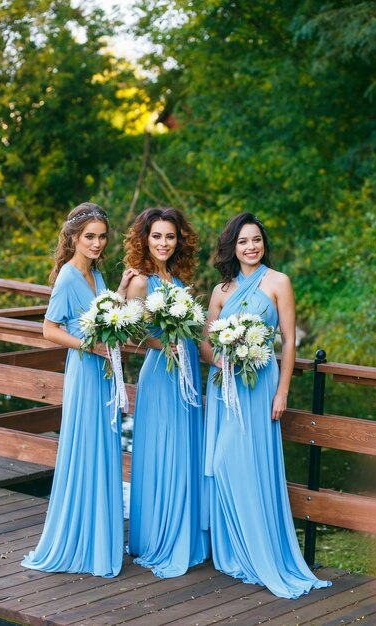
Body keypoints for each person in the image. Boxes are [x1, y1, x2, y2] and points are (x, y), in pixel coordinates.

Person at [200, 212, 331, 599]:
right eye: (243, 241)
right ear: (232, 247)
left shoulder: (279, 283)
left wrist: (282, 392)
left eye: (256, 240)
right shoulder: (221, 290)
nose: (250, 247)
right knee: (222, 462)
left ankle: (260, 551)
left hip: (260, 386)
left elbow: (289, 341)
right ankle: (236, 549)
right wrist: (219, 360)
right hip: (225, 387)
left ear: (263, 243)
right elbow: (206, 342)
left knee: (252, 463)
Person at [21, 202, 137, 577]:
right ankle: (80, 540)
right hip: (85, 374)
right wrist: (88, 346)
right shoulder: (70, 277)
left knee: (102, 449)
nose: (97, 243)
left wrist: (119, 289)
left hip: (102, 373)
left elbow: (103, 315)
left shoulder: (96, 276)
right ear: (73, 237)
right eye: (90, 237)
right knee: (85, 449)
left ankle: (97, 538)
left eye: (102, 237)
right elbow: (49, 329)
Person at [124, 207, 210, 578]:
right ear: (145, 238)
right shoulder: (141, 280)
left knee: (185, 449)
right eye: (157, 236)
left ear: (179, 241)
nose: (163, 243)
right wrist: (165, 345)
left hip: (187, 371)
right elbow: (129, 332)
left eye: (170, 236)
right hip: (162, 375)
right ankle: (162, 536)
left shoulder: (174, 278)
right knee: (165, 450)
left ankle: (185, 533)